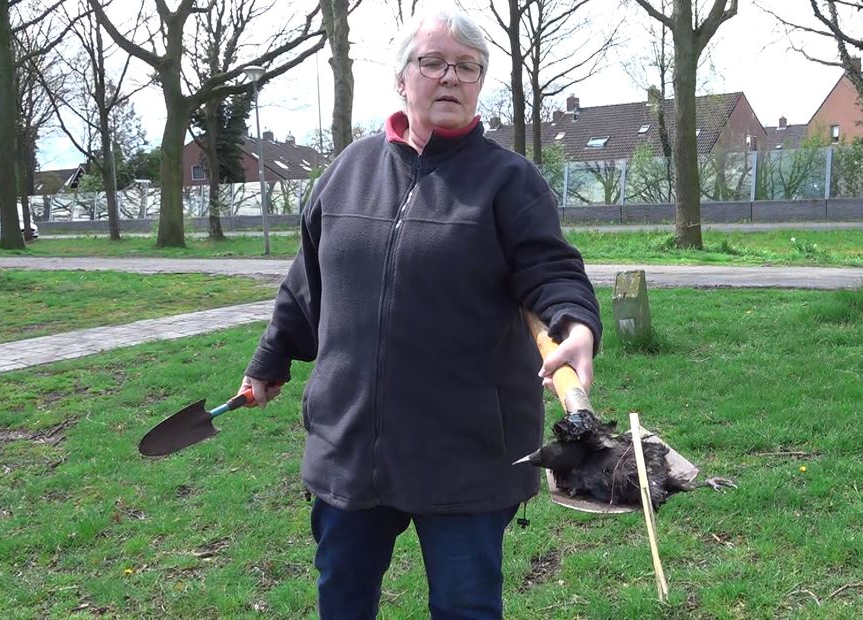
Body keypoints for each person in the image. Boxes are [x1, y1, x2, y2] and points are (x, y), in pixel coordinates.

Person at [239, 8, 601, 619]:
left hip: (466, 449)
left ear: (481, 84)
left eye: (468, 68)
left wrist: (577, 327)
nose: (451, 78)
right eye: (434, 63)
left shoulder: (509, 182)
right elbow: (307, 282)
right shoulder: (347, 172)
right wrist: (269, 362)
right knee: (344, 603)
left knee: (465, 608)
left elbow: (552, 271)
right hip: (351, 446)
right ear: (403, 78)